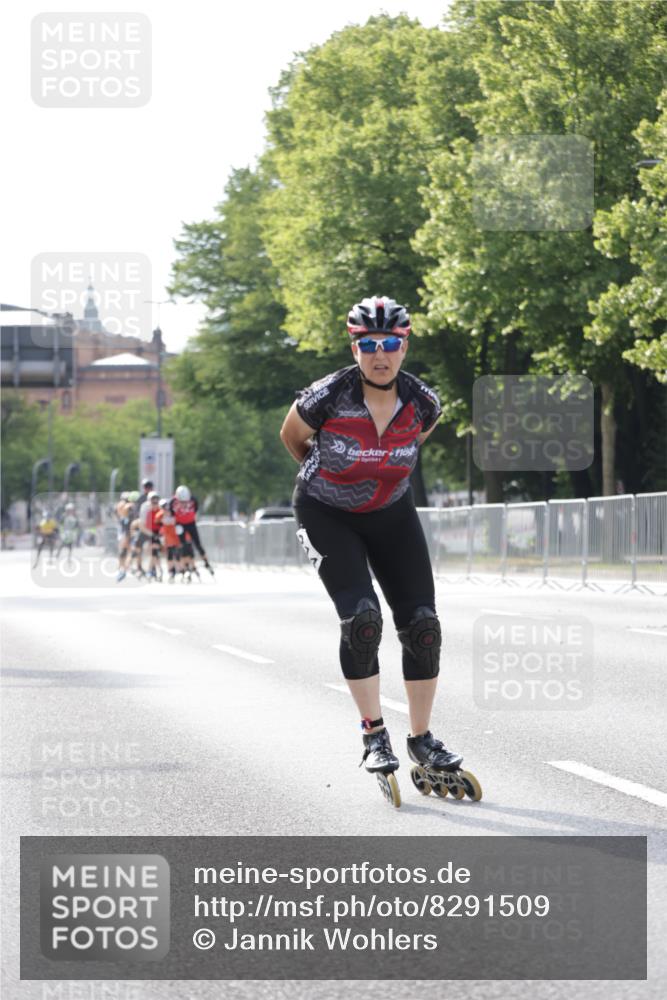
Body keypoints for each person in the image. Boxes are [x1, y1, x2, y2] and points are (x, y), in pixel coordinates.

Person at [280, 295, 464, 798]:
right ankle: (373, 733)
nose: (379, 354)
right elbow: (293, 438)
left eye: (389, 344)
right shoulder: (326, 396)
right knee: (362, 619)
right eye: (368, 344)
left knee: (423, 624)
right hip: (326, 512)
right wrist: (334, 479)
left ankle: (422, 740)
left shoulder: (424, 402)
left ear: (405, 345)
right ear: (354, 345)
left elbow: (412, 444)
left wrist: (375, 479)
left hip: (391, 513)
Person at [170, 485, 214, 575]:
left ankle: (206, 562)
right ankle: (185, 565)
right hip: (180, 524)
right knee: (183, 545)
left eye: (185, 501)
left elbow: (196, 509)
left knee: (197, 543)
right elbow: (172, 513)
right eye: (182, 502)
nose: (184, 503)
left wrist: (188, 517)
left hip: (191, 523)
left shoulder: (193, 500)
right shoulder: (173, 502)